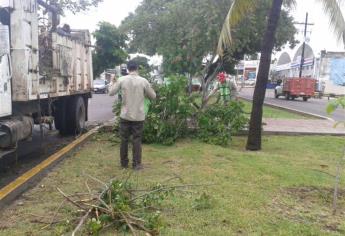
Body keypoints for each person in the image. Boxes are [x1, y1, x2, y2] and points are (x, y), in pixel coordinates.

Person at [109, 61, 156, 170]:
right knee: (137, 140)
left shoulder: (122, 80)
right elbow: (153, 96)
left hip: (125, 115)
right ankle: (136, 164)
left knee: (124, 139)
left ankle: (124, 163)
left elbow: (111, 92)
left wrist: (112, 82)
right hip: (138, 116)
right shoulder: (143, 81)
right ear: (137, 68)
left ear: (128, 69)